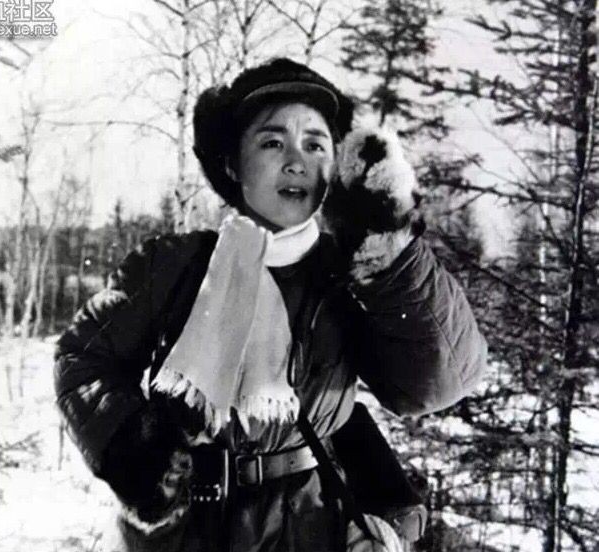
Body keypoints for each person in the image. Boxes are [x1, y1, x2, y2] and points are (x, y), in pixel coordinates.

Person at [54, 58, 487, 552]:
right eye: (272, 142)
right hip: (185, 532)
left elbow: (435, 385)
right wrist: (140, 458)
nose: (296, 161)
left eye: (316, 144)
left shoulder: (349, 277)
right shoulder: (173, 265)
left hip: (309, 527)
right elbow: (82, 356)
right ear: (233, 164)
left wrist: (390, 248)